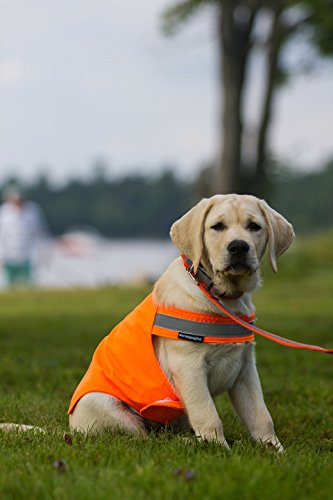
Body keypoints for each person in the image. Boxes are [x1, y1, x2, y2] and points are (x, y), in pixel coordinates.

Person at [0, 183, 50, 287]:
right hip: (9, 255)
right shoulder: (4, 212)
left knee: (29, 284)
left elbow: (40, 233)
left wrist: (44, 252)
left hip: (28, 254)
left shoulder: (33, 210)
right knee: (10, 284)